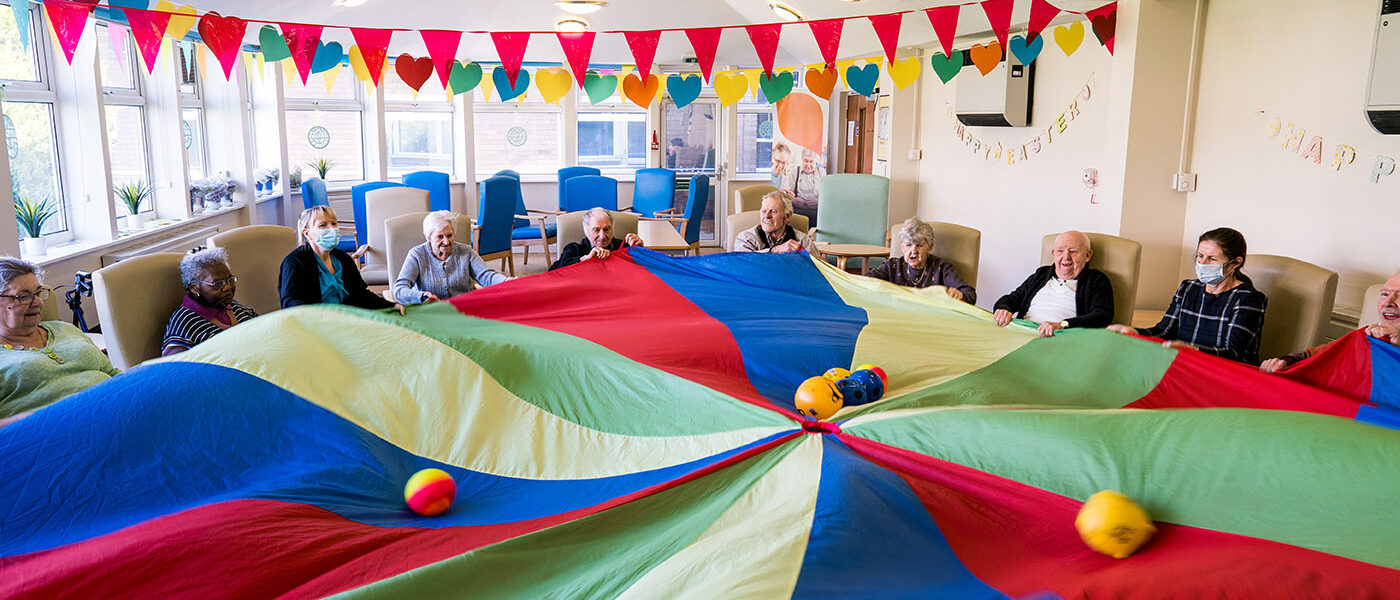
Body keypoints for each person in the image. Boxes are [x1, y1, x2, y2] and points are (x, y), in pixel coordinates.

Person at [1108, 227, 1267, 364]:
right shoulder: (1188, 288)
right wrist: (1134, 333)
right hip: (1186, 366)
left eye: (1211, 259)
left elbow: (1233, 354)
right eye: (1200, 256)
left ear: (1235, 263)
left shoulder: (1248, 299)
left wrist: (1194, 351)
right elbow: (1163, 332)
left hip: (1226, 374)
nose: (1202, 263)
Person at [0, 257, 119, 420]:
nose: (38, 302)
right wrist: (33, 420)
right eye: (23, 296)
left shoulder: (65, 329)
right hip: (54, 432)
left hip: (117, 408)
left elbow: (112, 372)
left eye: (37, 293)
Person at [1261, 270, 1400, 373]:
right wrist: (1283, 363)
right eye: (1385, 294)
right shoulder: (1366, 336)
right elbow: (1309, 356)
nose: (1388, 302)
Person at [279, 206, 402, 312]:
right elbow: (292, 305)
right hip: (315, 327)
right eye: (323, 225)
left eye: (334, 223)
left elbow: (361, 295)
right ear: (307, 233)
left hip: (347, 319)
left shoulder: (342, 259)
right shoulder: (294, 262)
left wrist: (391, 306)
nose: (332, 229)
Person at [993, 230, 1113, 336]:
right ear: (1054, 254)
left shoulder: (1096, 280)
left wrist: (1063, 325)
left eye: (1073, 251)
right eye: (1060, 251)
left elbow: (1102, 316)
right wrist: (1003, 309)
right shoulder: (1041, 274)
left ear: (1087, 255)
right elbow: (1011, 299)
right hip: (1024, 331)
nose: (1066, 256)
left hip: (1061, 337)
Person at [392, 211, 513, 304]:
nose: (446, 241)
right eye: (440, 237)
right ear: (428, 237)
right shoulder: (417, 255)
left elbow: (486, 276)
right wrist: (421, 297)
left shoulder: (466, 252)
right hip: (432, 314)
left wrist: (507, 282)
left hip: (464, 311)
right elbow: (399, 289)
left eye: (449, 235)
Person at [161, 248, 257, 356]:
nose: (228, 287)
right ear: (194, 288)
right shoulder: (185, 325)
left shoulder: (233, 306)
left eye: (230, 280)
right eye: (217, 284)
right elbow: (175, 368)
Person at [867, 217, 976, 304]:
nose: (913, 250)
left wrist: (959, 295)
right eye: (908, 245)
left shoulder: (942, 268)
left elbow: (970, 294)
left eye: (919, 245)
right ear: (902, 247)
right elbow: (865, 280)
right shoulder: (892, 266)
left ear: (930, 247)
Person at [549, 208, 644, 271]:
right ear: (586, 231)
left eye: (607, 229)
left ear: (612, 228)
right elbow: (553, 271)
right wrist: (585, 259)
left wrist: (641, 251)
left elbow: (642, 270)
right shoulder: (574, 249)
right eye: (596, 230)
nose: (602, 236)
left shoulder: (624, 247)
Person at [733, 191, 812, 254]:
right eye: (764, 211)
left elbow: (817, 268)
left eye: (773, 211)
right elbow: (743, 263)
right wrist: (774, 250)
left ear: (787, 216)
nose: (767, 216)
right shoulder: (745, 239)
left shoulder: (803, 241)